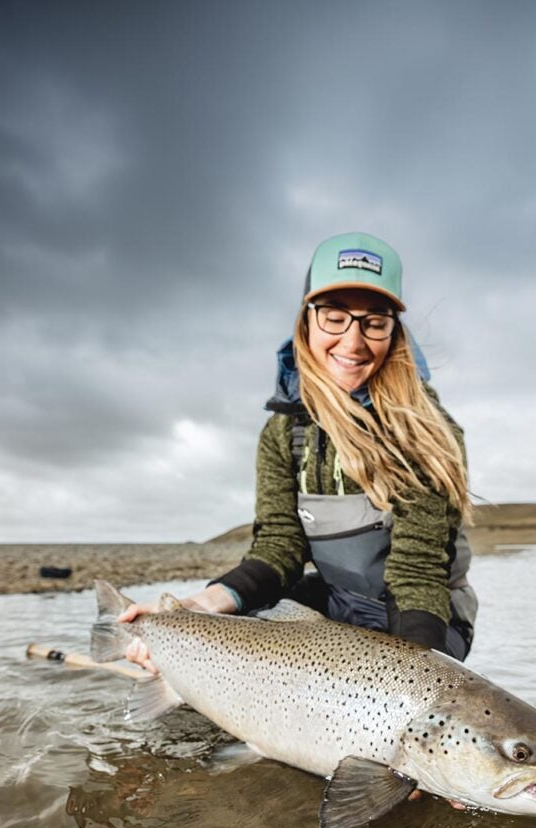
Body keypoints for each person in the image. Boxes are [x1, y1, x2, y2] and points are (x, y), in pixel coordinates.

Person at [121, 232, 478, 677]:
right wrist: (198, 608)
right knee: (229, 644)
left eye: (374, 322)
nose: (353, 342)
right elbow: (279, 549)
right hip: (334, 599)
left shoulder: (427, 431)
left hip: (422, 612)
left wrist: (416, 683)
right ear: (306, 321)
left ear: (394, 332)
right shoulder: (282, 431)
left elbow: (416, 573)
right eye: (334, 317)